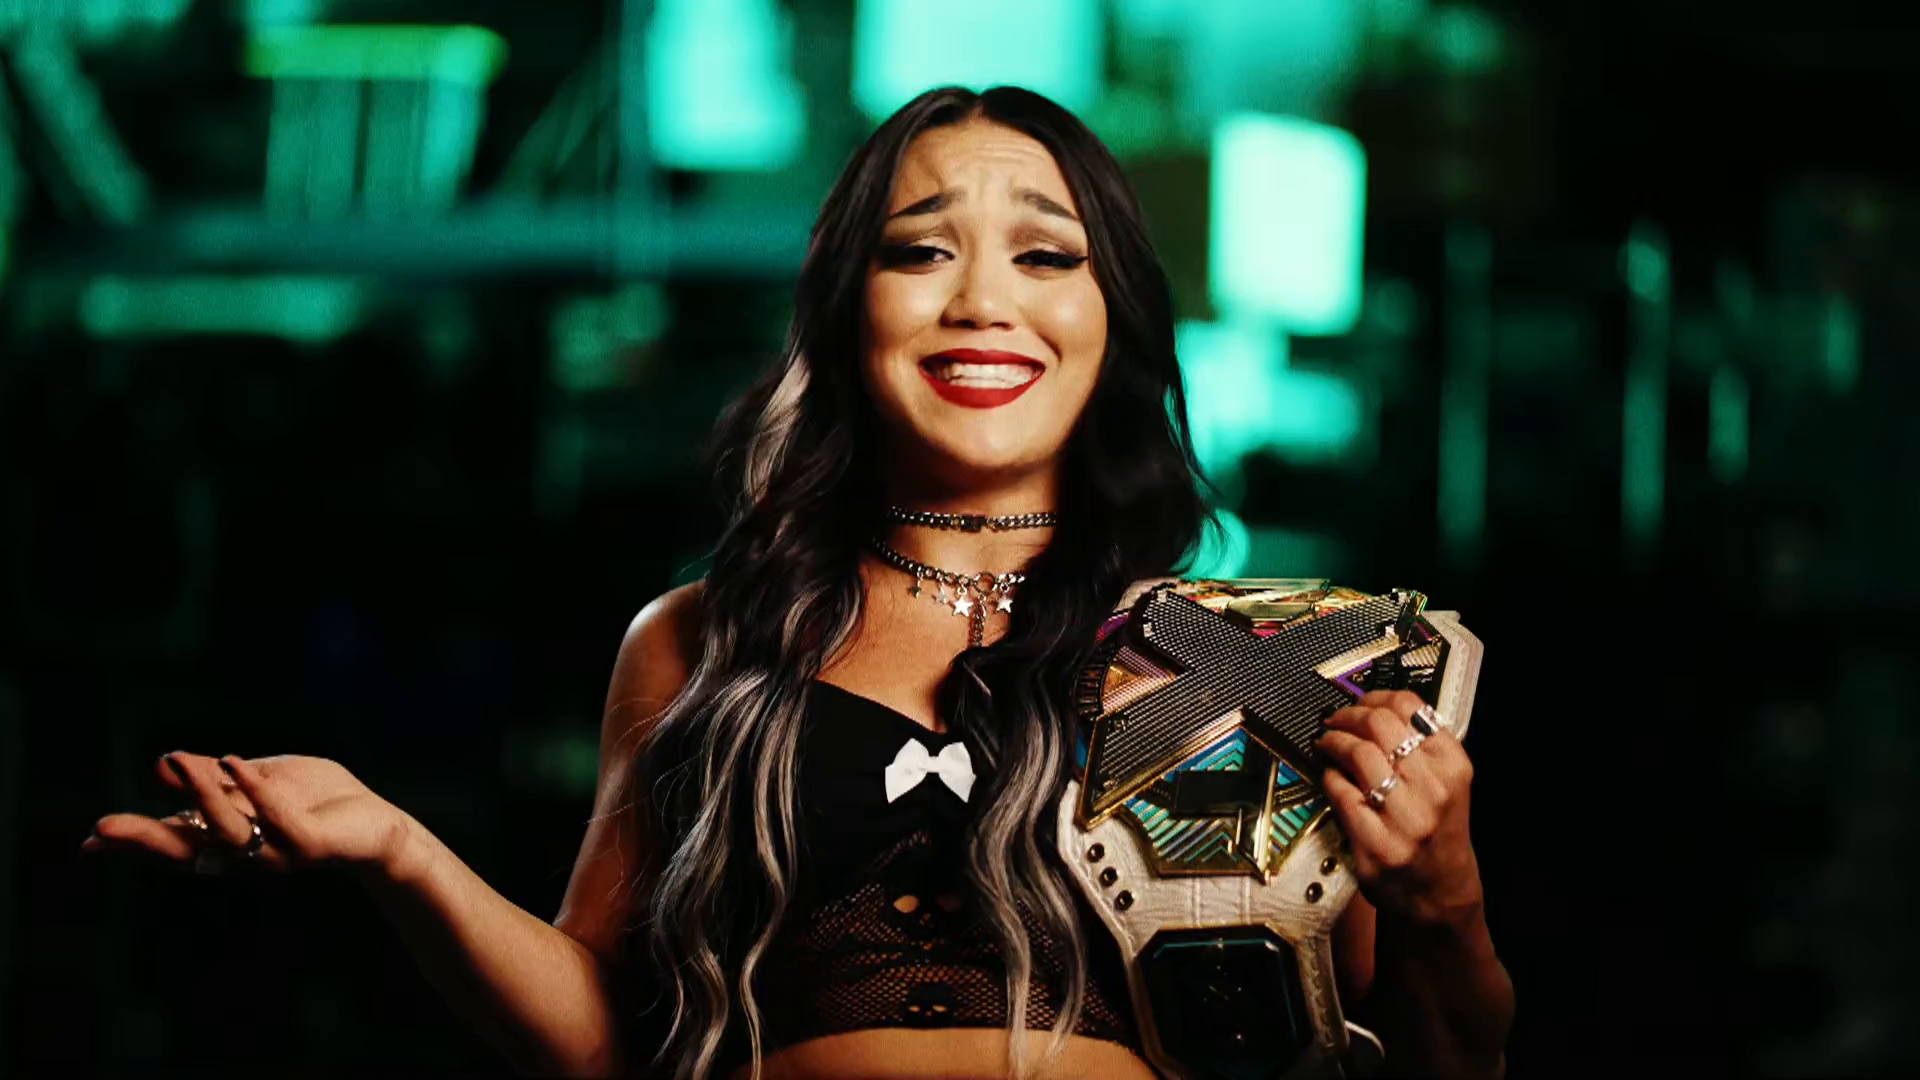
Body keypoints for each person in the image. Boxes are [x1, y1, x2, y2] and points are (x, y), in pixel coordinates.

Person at [81, 86, 1514, 1079]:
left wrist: (1441, 897)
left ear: (1113, 319)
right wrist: (397, 851)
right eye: (921, 251)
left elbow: (1450, 1061)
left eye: (1045, 254)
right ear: (845, 309)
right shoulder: (706, 644)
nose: (982, 301)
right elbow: (605, 1044)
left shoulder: (1267, 666)